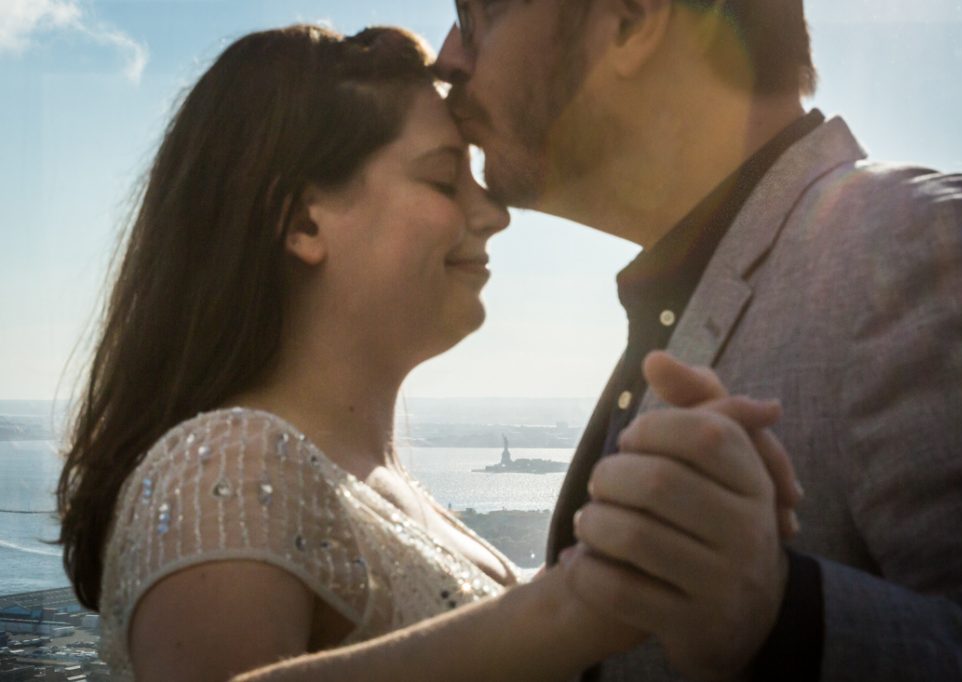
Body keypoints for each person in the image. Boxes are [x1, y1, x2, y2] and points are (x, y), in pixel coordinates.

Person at [56, 24, 795, 681]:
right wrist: (576, 607)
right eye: (444, 178)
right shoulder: (224, 464)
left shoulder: (370, 486)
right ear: (302, 220)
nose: (493, 213)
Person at [435, 0, 962, 680]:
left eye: (478, 12)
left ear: (630, 20)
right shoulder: (690, 289)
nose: (449, 55)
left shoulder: (923, 252)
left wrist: (779, 616)